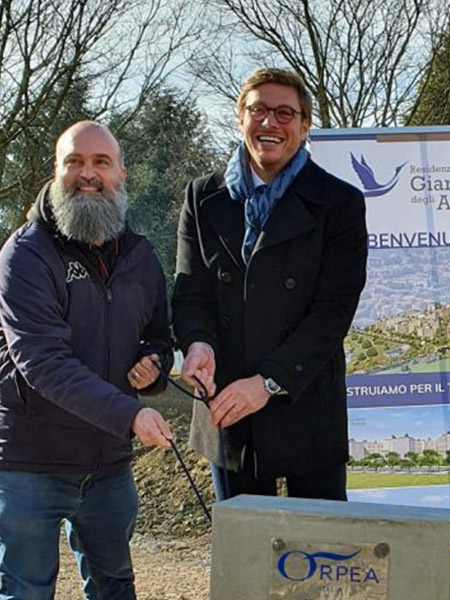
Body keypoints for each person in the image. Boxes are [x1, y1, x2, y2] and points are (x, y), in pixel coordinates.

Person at [172, 67, 367, 501]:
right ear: (240, 117)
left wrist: (268, 382)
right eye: (258, 110)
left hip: (305, 402)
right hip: (225, 405)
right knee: (243, 559)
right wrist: (198, 344)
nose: (270, 123)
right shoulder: (201, 198)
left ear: (303, 126)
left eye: (284, 113)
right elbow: (190, 293)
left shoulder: (341, 203)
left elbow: (333, 311)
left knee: (320, 557)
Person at [0, 121, 174, 600]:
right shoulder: (25, 255)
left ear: (122, 174)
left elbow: (160, 336)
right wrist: (132, 414)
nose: (87, 174)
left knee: (115, 586)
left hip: (109, 465)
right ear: (56, 172)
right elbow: (41, 360)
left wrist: (153, 363)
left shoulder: (141, 256)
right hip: (30, 462)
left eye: (100, 163)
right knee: (27, 591)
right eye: (73, 161)